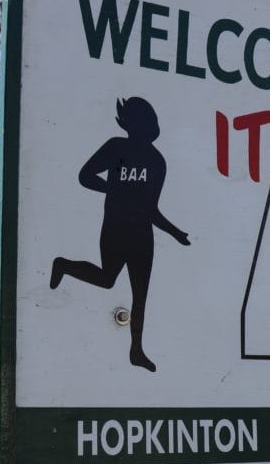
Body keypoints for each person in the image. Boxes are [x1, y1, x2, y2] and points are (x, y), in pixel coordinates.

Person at [50, 97, 190, 372]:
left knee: (140, 295)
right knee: (106, 279)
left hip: (142, 235)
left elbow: (151, 209)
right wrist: (113, 191)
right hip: (114, 228)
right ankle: (63, 265)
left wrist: (174, 232)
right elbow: (85, 175)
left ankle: (136, 350)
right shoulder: (115, 147)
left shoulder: (156, 161)